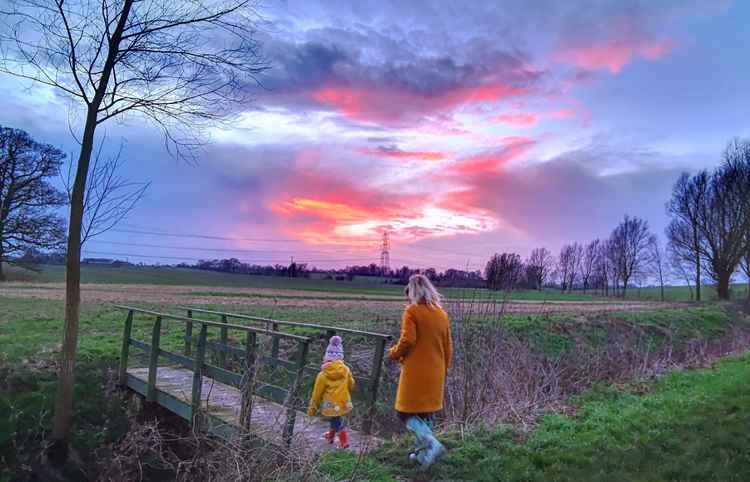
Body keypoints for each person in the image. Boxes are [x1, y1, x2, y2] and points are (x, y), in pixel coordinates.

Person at [388, 274, 453, 470]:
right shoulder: (441, 314)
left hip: (416, 371)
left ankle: (431, 444)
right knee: (424, 413)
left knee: (404, 412)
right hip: (437, 369)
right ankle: (423, 455)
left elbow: (408, 340)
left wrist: (393, 353)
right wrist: (443, 368)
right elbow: (448, 346)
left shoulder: (412, 312)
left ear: (412, 292)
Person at [307, 335, 355, 449]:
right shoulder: (346, 370)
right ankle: (331, 435)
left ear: (326, 357)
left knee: (336, 419)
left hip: (330, 403)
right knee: (337, 417)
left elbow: (316, 394)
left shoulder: (323, 374)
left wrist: (312, 409)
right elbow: (352, 384)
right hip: (344, 401)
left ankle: (344, 441)